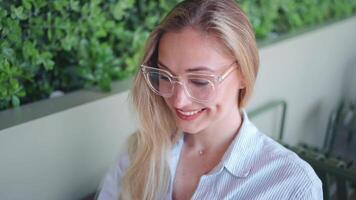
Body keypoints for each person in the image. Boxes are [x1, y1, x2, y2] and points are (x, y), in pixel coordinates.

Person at [97, 0, 323, 199]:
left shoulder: (292, 186)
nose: (178, 101)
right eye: (165, 76)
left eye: (200, 81)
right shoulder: (140, 150)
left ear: (244, 75)